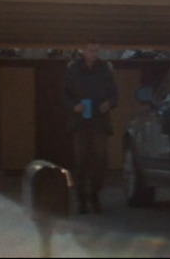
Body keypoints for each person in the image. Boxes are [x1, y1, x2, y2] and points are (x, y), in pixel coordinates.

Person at [63, 40, 118, 214]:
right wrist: (74, 106)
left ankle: (94, 193)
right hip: (79, 120)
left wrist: (108, 103)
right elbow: (64, 94)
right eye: (90, 50)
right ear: (83, 50)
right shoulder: (72, 68)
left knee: (100, 159)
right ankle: (80, 197)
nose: (93, 53)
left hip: (99, 121)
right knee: (80, 160)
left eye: (96, 50)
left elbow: (114, 94)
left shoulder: (105, 68)